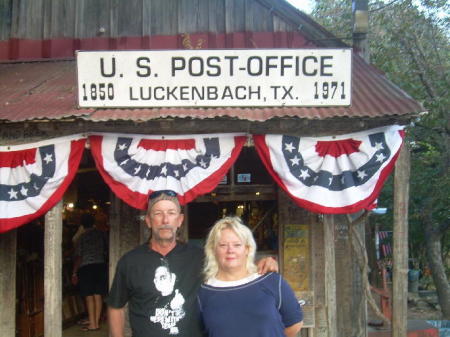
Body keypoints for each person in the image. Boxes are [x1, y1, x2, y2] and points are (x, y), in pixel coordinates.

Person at [107, 190, 278, 337]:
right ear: (149, 221)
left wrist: (261, 264)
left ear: (180, 220)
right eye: (158, 213)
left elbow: (233, 267)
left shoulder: (200, 257)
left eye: (171, 213)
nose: (165, 220)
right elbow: (116, 306)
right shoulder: (130, 262)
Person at [197, 216, 303, 337]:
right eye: (223, 245)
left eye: (237, 245)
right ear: (213, 249)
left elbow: (295, 324)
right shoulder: (203, 292)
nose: (230, 250)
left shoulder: (272, 282)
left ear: (247, 249)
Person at [72, 213, 108, 331]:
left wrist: (74, 272)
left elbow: (79, 256)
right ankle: (96, 323)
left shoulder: (82, 237)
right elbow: (106, 249)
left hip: (86, 267)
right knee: (98, 295)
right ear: (93, 222)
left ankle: (92, 323)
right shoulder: (101, 234)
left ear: (82, 224)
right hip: (100, 265)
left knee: (89, 296)